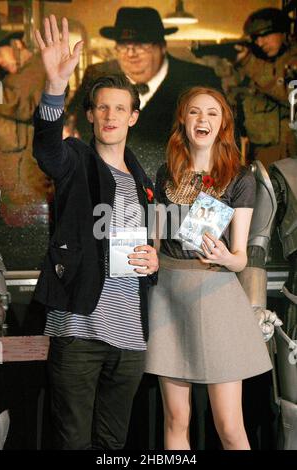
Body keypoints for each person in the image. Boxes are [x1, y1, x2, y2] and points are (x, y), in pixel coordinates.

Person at [33, 15, 158, 450]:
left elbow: (150, 252)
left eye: (119, 108)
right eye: (101, 107)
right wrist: (54, 85)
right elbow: (46, 147)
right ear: (90, 114)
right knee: (73, 444)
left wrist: (155, 260)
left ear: (133, 117)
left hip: (131, 341)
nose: (110, 115)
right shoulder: (75, 161)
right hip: (79, 332)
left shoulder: (146, 184)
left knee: (113, 447)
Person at [145, 86, 272, 450]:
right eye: (195, 112)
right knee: (175, 419)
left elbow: (240, 257)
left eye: (212, 113)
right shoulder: (165, 173)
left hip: (216, 295)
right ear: (183, 121)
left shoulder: (239, 177)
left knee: (229, 425)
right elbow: (154, 242)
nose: (203, 119)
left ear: (223, 124)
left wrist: (223, 258)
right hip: (167, 295)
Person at [67, 6, 221, 180]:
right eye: (124, 46)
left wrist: (208, 207)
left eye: (142, 45)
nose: (131, 53)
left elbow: (224, 153)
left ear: (162, 46)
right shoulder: (97, 75)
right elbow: (80, 133)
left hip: (179, 197)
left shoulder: (199, 80)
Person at [0, 29, 50, 270]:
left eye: (0, 52)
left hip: (29, 192)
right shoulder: (24, 73)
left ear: (18, 43)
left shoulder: (38, 67)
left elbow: (16, 101)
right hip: (19, 194)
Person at [232, 7, 297, 168]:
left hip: (292, 155)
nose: (260, 43)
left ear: (283, 32)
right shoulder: (255, 62)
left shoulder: (291, 60)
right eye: (256, 38)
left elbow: (290, 96)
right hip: (261, 155)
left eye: (265, 35)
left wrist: (249, 62)